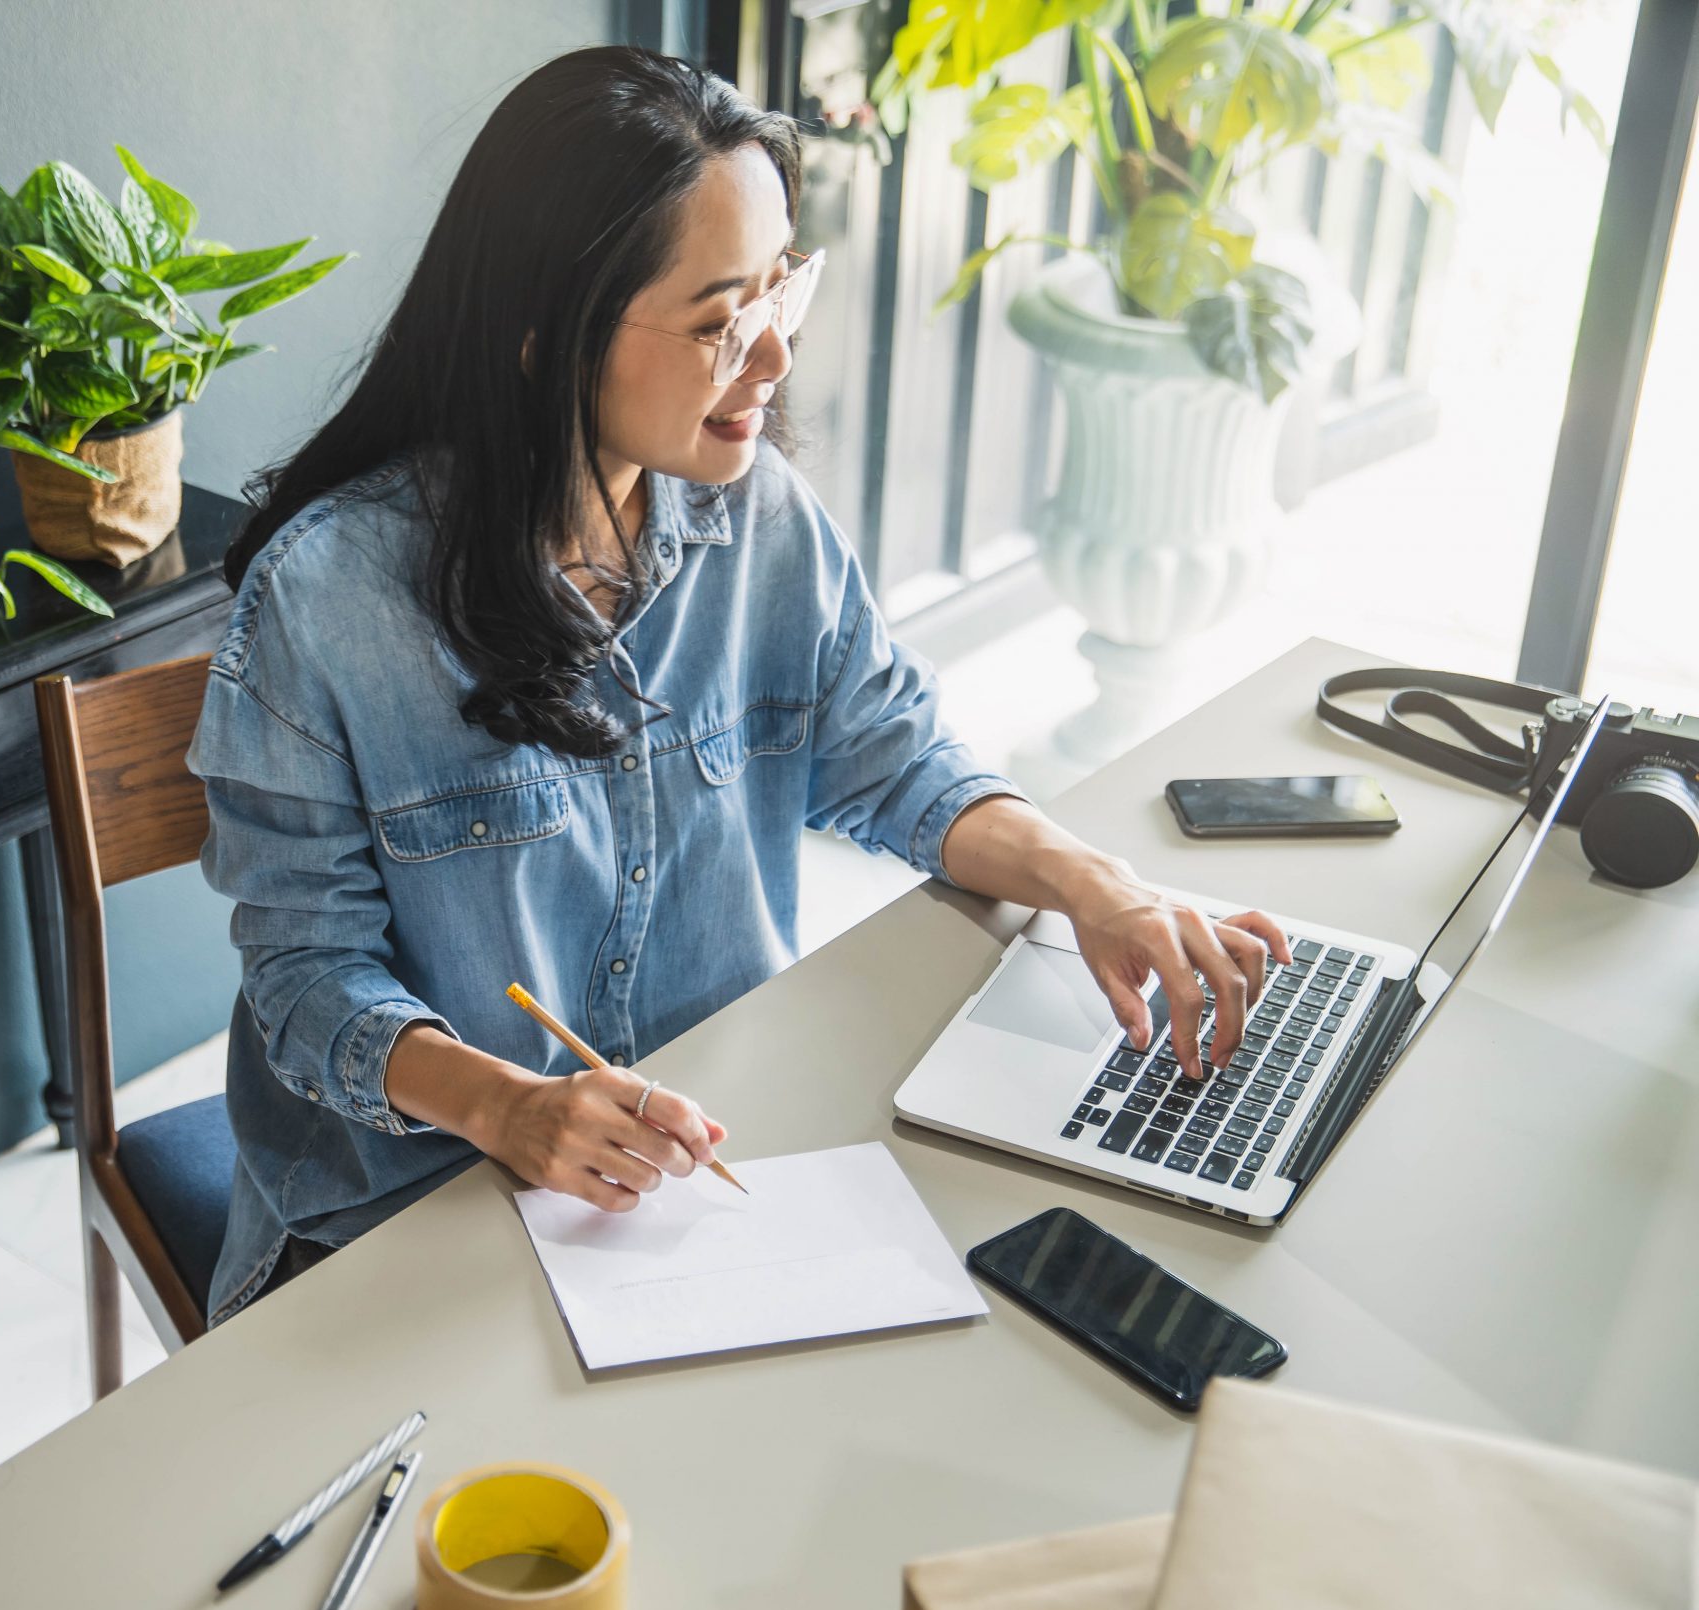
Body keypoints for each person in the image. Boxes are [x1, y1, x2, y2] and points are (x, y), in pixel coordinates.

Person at [186, 44, 1289, 1325]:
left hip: (701, 1162)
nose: (770, 361)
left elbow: (893, 755)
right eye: (719, 323)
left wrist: (1098, 885)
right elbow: (305, 979)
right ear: (544, 338)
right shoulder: (326, 600)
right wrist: (512, 1107)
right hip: (416, 1201)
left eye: (779, 292)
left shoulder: (759, 517)